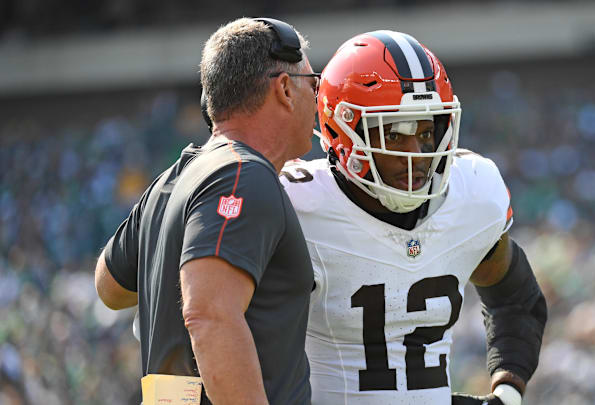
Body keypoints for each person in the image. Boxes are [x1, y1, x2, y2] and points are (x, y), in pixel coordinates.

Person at [278, 31, 547, 405]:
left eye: (426, 131)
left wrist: (507, 391)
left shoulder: (472, 194)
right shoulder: (294, 204)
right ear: (343, 129)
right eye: (394, 133)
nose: (416, 154)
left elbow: (518, 299)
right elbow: (222, 327)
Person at [94, 17, 318, 405]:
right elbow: (210, 316)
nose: (317, 99)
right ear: (284, 89)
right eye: (312, 85)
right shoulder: (243, 174)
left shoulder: (175, 177)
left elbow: (109, 287)